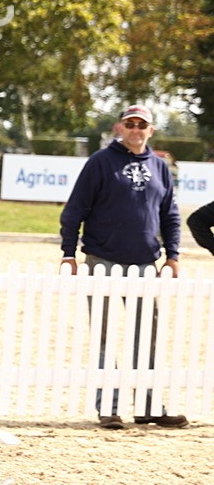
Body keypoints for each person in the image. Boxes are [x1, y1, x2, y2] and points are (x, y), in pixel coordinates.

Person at [59, 104, 187, 429]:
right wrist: (68, 252)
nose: (135, 129)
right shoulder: (100, 162)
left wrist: (173, 255)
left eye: (141, 124)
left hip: (145, 264)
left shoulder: (160, 168)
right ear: (119, 128)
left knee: (147, 337)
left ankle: (148, 408)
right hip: (102, 260)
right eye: (129, 124)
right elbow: (75, 209)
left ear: (151, 130)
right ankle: (109, 410)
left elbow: (170, 215)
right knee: (103, 337)